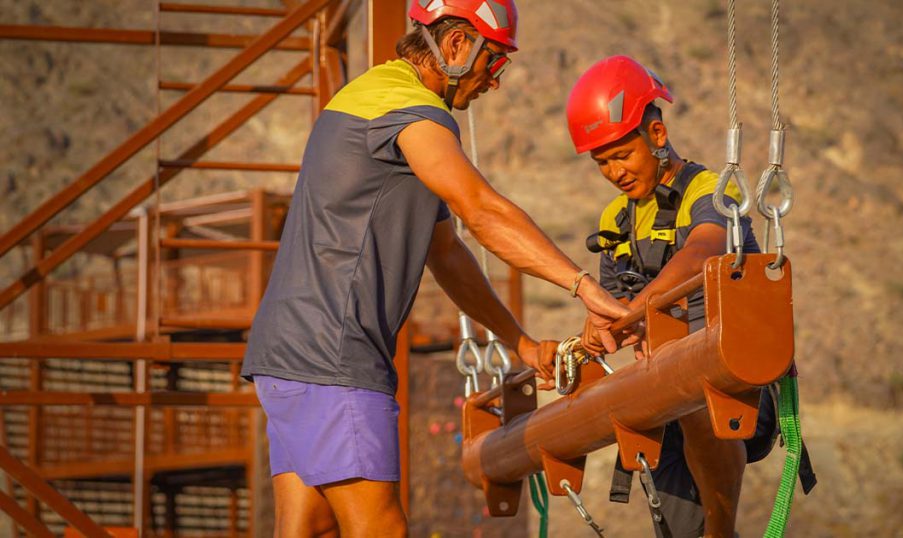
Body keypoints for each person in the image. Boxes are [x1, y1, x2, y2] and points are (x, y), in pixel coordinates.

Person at [240, 2, 629, 536]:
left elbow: (445, 251)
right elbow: (482, 209)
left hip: (286, 356)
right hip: (334, 355)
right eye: (493, 63)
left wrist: (520, 342)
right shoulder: (414, 110)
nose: (494, 83)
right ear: (454, 47)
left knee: (309, 527)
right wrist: (583, 286)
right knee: (382, 530)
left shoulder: (372, 95)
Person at [568, 55, 777, 538]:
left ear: (657, 136)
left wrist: (645, 306)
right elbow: (617, 311)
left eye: (622, 155)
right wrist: (599, 327)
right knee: (681, 530)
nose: (614, 172)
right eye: (602, 162)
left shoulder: (708, 189)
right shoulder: (615, 222)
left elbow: (705, 248)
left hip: (737, 382)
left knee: (691, 391)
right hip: (669, 397)